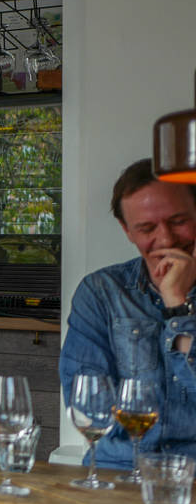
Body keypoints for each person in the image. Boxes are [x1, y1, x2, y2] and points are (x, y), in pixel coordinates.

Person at [59, 158, 196, 468]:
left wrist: (177, 306)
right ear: (127, 231)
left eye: (178, 221)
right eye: (147, 228)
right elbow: (88, 408)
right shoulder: (101, 292)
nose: (166, 239)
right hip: (119, 471)